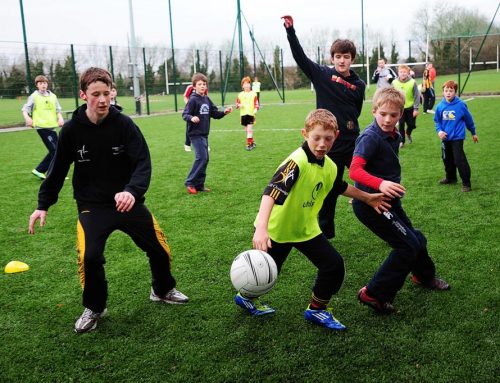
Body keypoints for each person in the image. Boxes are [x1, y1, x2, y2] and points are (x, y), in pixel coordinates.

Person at [28, 67, 189, 333]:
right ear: (83, 95)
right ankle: (95, 307)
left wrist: (131, 191)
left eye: (107, 93)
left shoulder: (124, 124)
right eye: (96, 94)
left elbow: (142, 163)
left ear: (112, 92)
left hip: (128, 201)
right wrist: (43, 204)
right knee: (90, 257)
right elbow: (57, 170)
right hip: (92, 206)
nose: (103, 100)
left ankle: (162, 290)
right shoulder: (70, 131)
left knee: (159, 249)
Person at [237, 109, 390, 330]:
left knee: (334, 266)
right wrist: (261, 228)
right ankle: (246, 297)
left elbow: (338, 186)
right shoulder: (296, 162)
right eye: (316, 137)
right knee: (266, 275)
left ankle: (317, 310)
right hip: (278, 230)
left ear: (336, 136)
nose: (321, 144)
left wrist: (367, 198)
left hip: (306, 229)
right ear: (305, 134)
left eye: (327, 139)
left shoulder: (330, 165)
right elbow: (271, 191)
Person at [349, 87, 450, 314]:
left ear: (400, 115)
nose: (387, 119)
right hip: (373, 204)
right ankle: (373, 294)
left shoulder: (394, 134)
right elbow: (355, 171)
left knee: (416, 238)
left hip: (390, 201)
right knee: (407, 246)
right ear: (374, 111)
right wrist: (378, 185)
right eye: (382, 114)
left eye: (393, 115)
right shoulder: (370, 137)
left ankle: (423, 276)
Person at [282, 15, 366, 239]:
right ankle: (326, 233)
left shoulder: (359, 85)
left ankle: (377, 214)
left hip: (354, 140)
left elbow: (356, 110)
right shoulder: (322, 75)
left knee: (368, 176)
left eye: (346, 57)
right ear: (332, 58)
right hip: (331, 143)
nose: (342, 61)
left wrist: (348, 123)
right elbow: (300, 58)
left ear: (352, 59)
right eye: (338, 56)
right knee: (329, 187)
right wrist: (291, 31)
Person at [182, 73, 232, 194]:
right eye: (199, 84)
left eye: (204, 84)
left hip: (204, 134)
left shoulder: (206, 99)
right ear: (194, 86)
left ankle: (199, 185)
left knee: (205, 159)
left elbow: (215, 114)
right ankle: (190, 182)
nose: (202, 86)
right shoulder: (193, 100)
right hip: (195, 134)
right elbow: (185, 114)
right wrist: (191, 118)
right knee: (201, 158)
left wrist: (224, 112)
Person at [434, 80, 478, 192]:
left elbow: (469, 120)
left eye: (451, 90)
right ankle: (451, 178)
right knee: (446, 159)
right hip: (445, 138)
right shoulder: (440, 106)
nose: (448, 93)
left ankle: (466, 183)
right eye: (446, 90)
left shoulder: (461, 105)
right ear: (443, 92)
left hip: (457, 138)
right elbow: (437, 122)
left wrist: (473, 132)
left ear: (455, 92)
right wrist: (439, 131)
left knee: (459, 160)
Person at [22, 75, 65, 180]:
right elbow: (25, 109)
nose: (43, 85)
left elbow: (57, 110)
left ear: (47, 84)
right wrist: (27, 118)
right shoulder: (34, 96)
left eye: (45, 83)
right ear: (37, 85)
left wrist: (60, 118)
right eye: (40, 83)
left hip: (52, 127)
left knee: (57, 150)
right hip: (41, 127)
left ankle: (39, 170)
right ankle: (54, 174)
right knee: (55, 151)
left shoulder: (53, 96)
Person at [392, 65, 420, 147]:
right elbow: (392, 95)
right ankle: (402, 141)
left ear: (408, 73)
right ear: (398, 73)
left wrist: (416, 108)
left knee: (412, 125)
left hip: (411, 107)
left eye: (404, 72)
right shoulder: (394, 82)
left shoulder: (412, 82)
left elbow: (416, 96)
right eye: (401, 72)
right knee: (401, 124)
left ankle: (408, 133)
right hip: (400, 108)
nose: (403, 74)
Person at [182, 84, 209, 152]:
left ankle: (205, 144)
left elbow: (205, 97)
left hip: (200, 109)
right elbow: (185, 96)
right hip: (191, 110)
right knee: (189, 127)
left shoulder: (204, 87)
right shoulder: (190, 87)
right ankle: (187, 144)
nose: (202, 85)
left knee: (204, 125)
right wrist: (189, 105)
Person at [236, 76, 260, 151]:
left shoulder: (254, 94)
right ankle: (252, 142)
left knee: (249, 129)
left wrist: (256, 109)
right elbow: (237, 104)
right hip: (243, 115)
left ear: (250, 85)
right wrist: (239, 105)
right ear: (242, 86)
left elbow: (256, 103)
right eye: (244, 84)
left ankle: (249, 144)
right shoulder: (240, 95)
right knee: (246, 130)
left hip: (250, 114)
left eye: (248, 83)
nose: (246, 85)